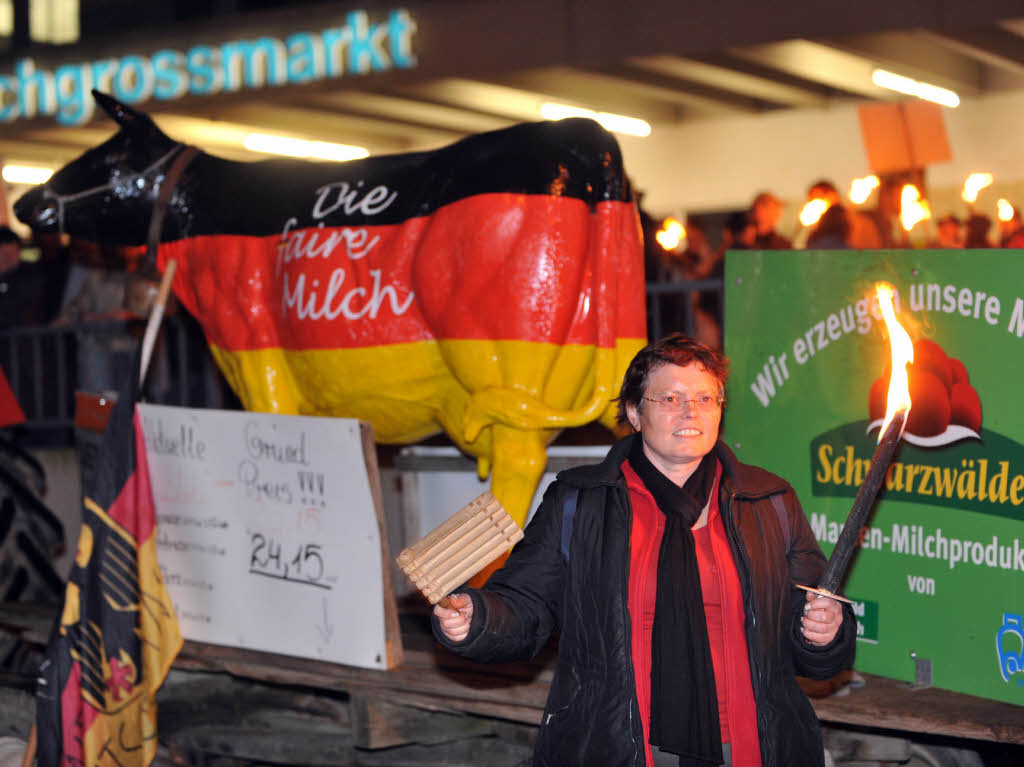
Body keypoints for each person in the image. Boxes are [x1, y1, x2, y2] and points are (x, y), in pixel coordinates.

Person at [433, 334, 855, 767]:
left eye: (706, 397)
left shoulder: (767, 501)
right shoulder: (580, 501)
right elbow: (526, 604)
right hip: (624, 746)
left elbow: (810, 629)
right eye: (670, 397)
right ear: (634, 412)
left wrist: (824, 633)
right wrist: (478, 618)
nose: (692, 410)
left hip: (753, 747)